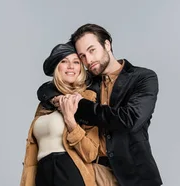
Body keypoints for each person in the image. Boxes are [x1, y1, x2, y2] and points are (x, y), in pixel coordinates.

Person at [36, 23, 164, 186]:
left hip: (134, 175)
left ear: (107, 44)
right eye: (82, 56)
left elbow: (129, 120)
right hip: (92, 171)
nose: (88, 60)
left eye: (92, 50)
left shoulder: (143, 77)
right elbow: (47, 89)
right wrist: (57, 99)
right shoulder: (87, 81)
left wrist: (78, 106)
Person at [20, 42, 105, 186]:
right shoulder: (46, 103)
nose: (71, 66)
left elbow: (90, 153)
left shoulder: (87, 99)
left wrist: (70, 121)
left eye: (76, 62)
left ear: (81, 68)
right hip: (42, 173)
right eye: (64, 61)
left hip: (69, 171)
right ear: (56, 67)